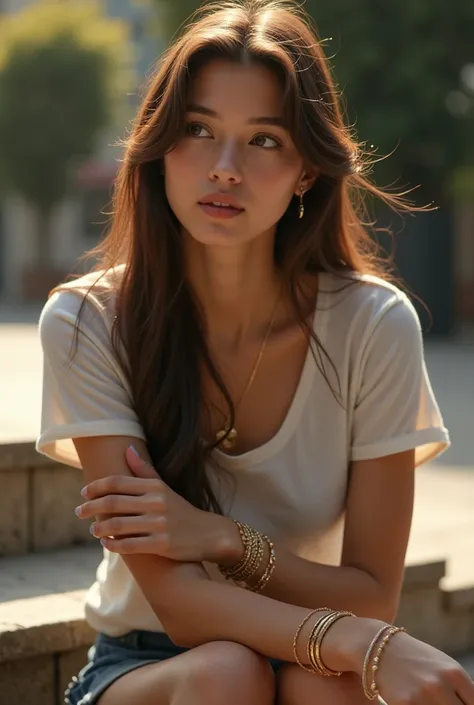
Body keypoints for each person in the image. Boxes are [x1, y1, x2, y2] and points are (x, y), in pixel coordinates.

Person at [36, 1, 473, 704]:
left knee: (319, 687)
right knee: (229, 673)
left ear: (306, 170)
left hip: (313, 645)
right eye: (199, 130)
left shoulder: (373, 324)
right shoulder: (89, 320)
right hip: (148, 662)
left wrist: (224, 539)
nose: (226, 168)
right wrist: (358, 640)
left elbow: (373, 592)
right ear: (159, 147)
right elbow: (177, 601)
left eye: (264, 140)